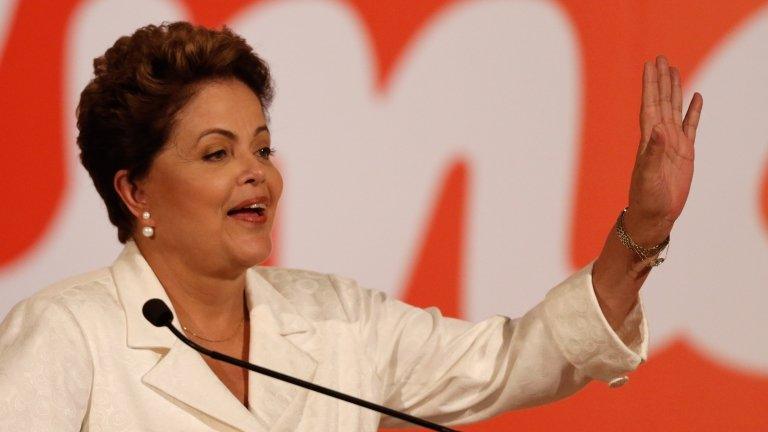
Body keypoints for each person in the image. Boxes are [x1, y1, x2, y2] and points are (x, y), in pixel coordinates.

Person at [0, 21, 702, 431]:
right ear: (135, 190)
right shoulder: (69, 334)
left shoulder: (334, 320)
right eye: (218, 153)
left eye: (263, 148)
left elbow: (517, 361)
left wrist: (641, 231)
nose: (258, 174)